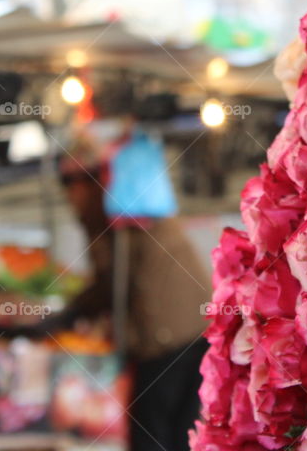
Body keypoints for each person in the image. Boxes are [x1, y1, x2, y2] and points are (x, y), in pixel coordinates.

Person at [53, 140, 211, 451]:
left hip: (163, 339)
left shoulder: (107, 213)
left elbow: (109, 282)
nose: (68, 196)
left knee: (150, 435)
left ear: (86, 183)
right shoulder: (136, 204)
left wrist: (67, 315)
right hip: (197, 328)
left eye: (69, 185)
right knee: (181, 435)